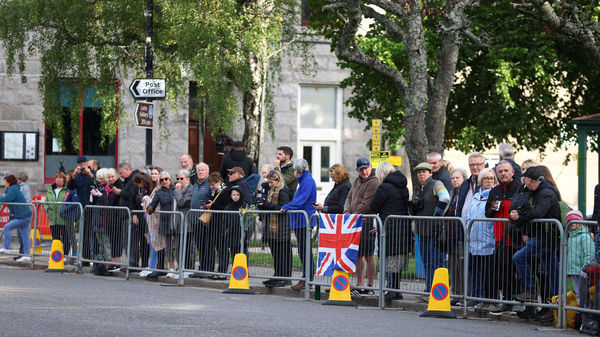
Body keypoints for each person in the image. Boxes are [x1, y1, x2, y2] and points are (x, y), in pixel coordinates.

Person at [509, 166, 561, 306]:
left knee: (518, 257)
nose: (524, 183)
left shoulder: (546, 193)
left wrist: (519, 218)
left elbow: (538, 213)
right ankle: (557, 303)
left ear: (530, 180)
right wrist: (516, 215)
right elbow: (525, 208)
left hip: (545, 237)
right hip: (542, 236)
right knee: (553, 272)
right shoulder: (535, 191)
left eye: (525, 179)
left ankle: (532, 291)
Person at [484, 160, 523, 315]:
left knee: (518, 272)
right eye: (500, 172)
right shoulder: (494, 191)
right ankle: (507, 301)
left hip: (517, 238)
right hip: (500, 239)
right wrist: (493, 208)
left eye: (506, 171)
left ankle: (522, 304)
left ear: (512, 172)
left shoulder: (520, 189)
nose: (503, 174)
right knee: (504, 272)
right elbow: (487, 213)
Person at [369, 161, 409, 302]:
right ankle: (396, 289)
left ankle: (391, 289)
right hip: (402, 226)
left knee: (390, 257)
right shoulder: (403, 186)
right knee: (397, 257)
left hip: (389, 227)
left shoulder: (384, 188)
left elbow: (374, 206)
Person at [410, 162, 450, 294]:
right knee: (427, 263)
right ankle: (429, 290)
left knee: (437, 263)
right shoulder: (418, 188)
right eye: (419, 172)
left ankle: (439, 293)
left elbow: (445, 197)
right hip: (422, 232)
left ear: (430, 173)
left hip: (435, 231)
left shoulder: (436, 184)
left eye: (424, 171)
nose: (421, 174)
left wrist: (436, 214)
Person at [344, 157, 381, 296]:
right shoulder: (357, 180)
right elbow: (348, 198)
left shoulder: (374, 182)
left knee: (368, 254)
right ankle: (360, 284)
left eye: (366, 168)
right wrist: (347, 212)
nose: (364, 171)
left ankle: (370, 285)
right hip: (356, 220)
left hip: (366, 221)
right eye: (361, 169)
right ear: (357, 170)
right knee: (359, 254)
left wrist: (354, 215)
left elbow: (366, 203)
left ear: (371, 167)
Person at [281, 158, 317, 290]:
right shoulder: (305, 181)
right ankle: (306, 277)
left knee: (304, 250)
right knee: (303, 250)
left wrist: (286, 206)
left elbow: (301, 200)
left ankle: (307, 278)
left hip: (304, 221)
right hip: (300, 220)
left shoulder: (307, 181)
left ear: (296, 171)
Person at [466, 168, 497, 311]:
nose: (490, 180)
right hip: (474, 239)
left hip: (488, 239)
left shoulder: (495, 195)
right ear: (481, 181)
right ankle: (477, 297)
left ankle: (488, 299)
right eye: (487, 178)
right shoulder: (476, 196)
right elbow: (469, 217)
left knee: (487, 272)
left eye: (492, 178)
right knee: (475, 270)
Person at [258, 170, 293, 287]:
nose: (270, 184)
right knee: (276, 253)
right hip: (272, 228)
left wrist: (267, 206)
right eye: (269, 182)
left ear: (278, 180)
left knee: (283, 254)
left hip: (281, 228)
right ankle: (277, 274)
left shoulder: (283, 191)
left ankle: (285, 277)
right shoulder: (271, 191)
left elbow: (282, 208)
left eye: (271, 182)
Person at [445, 167, 467, 304]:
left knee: (461, 265)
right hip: (451, 235)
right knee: (453, 266)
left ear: (464, 179)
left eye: (457, 178)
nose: (454, 180)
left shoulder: (464, 194)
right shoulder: (452, 193)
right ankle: (456, 293)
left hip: (460, 234)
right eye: (452, 178)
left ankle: (464, 294)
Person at [147, 172, 177, 273]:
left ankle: (181, 268)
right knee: (168, 247)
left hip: (177, 221)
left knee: (178, 245)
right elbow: (152, 204)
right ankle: (171, 268)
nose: (164, 181)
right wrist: (150, 208)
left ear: (170, 179)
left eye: (166, 179)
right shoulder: (159, 192)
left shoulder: (176, 189)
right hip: (165, 222)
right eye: (162, 180)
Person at [203, 172, 230, 279]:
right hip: (215, 223)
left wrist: (212, 205)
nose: (211, 187)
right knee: (217, 248)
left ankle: (222, 271)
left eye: (213, 184)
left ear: (219, 181)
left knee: (222, 248)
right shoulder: (217, 191)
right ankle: (218, 270)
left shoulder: (225, 191)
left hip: (222, 223)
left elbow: (225, 206)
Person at [0, 175, 33, 262]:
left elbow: (6, 199)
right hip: (24, 215)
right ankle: (27, 255)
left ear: (9, 183)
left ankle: (6, 248)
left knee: (7, 227)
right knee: (25, 236)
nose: (4, 184)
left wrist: (2, 196)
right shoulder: (12, 189)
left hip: (23, 216)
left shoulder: (13, 189)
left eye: (6, 182)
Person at [566, 209, 595, 304]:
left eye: (573, 220)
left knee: (584, 293)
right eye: (569, 221)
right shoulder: (570, 236)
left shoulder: (585, 236)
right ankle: (581, 311)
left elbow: (589, 253)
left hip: (583, 271)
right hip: (574, 270)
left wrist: (585, 268)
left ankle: (586, 312)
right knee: (578, 292)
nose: (571, 222)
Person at [190, 162, 212, 275]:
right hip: (194, 220)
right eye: (198, 170)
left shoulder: (209, 184)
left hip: (205, 220)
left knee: (206, 245)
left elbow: (212, 200)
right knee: (199, 245)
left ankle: (206, 269)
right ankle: (202, 267)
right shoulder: (195, 184)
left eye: (202, 170)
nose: (200, 172)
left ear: (207, 171)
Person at [74, 156, 96, 261]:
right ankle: (85, 256)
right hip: (82, 206)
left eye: (84, 163)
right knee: (84, 232)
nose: (82, 166)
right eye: (80, 164)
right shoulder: (77, 176)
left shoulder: (92, 174)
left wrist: (90, 174)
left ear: (87, 164)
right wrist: (74, 175)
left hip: (92, 206)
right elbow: (70, 187)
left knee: (94, 232)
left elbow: (98, 184)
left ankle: (93, 256)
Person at [45, 172, 70, 258]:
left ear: (64, 180)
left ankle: (66, 256)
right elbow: (46, 201)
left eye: (60, 178)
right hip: (53, 218)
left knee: (66, 238)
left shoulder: (67, 190)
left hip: (63, 218)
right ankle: (56, 257)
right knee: (55, 239)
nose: (58, 180)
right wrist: (47, 208)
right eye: (57, 178)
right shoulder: (50, 190)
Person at [173, 169, 194, 273]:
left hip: (187, 223)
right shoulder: (179, 189)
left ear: (188, 179)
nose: (179, 181)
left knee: (188, 248)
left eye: (182, 178)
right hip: (178, 223)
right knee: (178, 247)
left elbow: (182, 202)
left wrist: (177, 191)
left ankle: (188, 268)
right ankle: (180, 267)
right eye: (177, 179)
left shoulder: (190, 189)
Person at [456, 152, 485, 223]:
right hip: (463, 226)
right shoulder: (465, 183)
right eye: (472, 165)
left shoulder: (487, 183)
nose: (475, 167)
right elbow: (459, 208)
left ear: (484, 165)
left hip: (479, 227)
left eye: (478, 164)